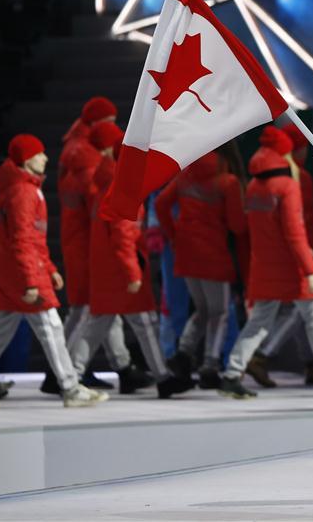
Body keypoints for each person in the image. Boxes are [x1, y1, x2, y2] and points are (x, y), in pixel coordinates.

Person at [219, 129, 313, 398]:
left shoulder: (253, 186)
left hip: (264, 266)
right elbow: (295, 233)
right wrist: (310, 269)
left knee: (260, 321)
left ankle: (232, 374)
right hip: (292, 266)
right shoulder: (288, 185)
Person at [67, 123, 192, 399]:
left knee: (97, 326)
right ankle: (162, 377)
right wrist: (133, 273)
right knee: (144, 324)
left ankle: (71, 377)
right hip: (123, 273)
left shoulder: (104, 186)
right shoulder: (124, 189)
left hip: (108, 270)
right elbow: (123, 236)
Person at [0, 134, 108, 407]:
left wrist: (49, 269)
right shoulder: (23, 193)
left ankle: (70, 387)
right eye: (40, 154)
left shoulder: (20, 189)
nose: (46, 158)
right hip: (25, 276)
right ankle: (70, 388)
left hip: (17, 274)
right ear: (27, 160)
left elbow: (31, 240)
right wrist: (31, 281)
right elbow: (23, 241)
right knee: (52, 329)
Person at [56, 96, 131, 391]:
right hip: (88, 240)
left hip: (80, 238)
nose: (113, 126)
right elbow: (97, 200)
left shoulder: (73, 150)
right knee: (91, 308)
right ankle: (66, 369)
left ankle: (120, 365)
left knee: (91, 308)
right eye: (110, 121)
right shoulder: (87, 155)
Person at [157, 148, 247, 389]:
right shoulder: (228, 182)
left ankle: (184, 353)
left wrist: (174, 235)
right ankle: (210, 365)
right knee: (220, 312)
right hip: (213, 253)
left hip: (186, 252)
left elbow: (160, 203)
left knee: (203, 309)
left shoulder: (185, 175)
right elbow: (237, 225)